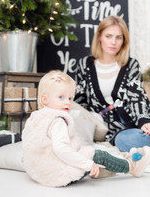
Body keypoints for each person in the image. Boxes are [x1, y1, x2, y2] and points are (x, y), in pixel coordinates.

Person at [22, 70, 150, 187]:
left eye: (70, 98)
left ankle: (104, 170)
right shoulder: (58, 120)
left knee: (84, 151)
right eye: (61, 97)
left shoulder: (36, 118)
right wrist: (88, 164)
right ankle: (131, 166)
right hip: (58, 174)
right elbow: (61, 149)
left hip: (40, 172)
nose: (67, 102)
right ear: (45, 99)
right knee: (99, 155)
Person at [75, 15, 150, 152]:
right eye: (108, 36)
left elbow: (137, 96)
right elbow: (79, 102)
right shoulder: (85, 65)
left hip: (131, 126)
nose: (113, 42)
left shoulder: (131, 64)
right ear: (99, 37)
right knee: (127, 140)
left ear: (124, 41)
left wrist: (144, 121)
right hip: (105, 130)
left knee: (134, 138)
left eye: (118, 37)